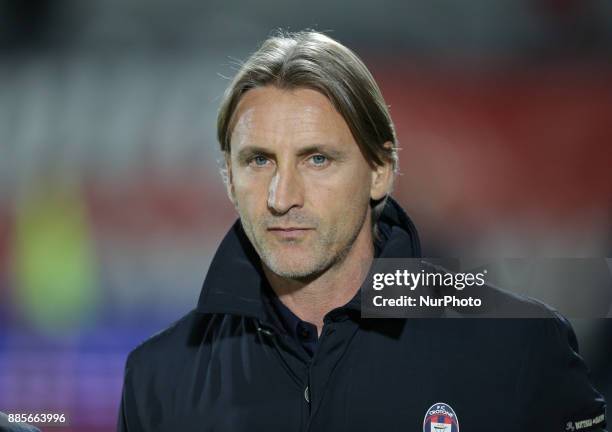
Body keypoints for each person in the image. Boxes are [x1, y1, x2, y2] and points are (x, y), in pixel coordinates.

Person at [117, 30, 606, 431]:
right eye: (259, 160)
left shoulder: (519, 345)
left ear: (381, 171)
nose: (282, 196)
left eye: (318, 159)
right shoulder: (159, 376)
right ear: (228, 176)